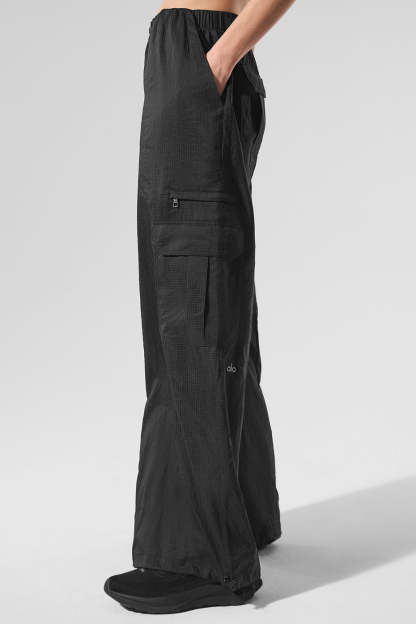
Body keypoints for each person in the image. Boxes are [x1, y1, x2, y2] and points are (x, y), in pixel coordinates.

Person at [104, 0, 296, 614]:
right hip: (183, 54)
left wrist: (216, 59)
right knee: (203, 290)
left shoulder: (208, 53)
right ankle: (242, 514)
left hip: (200, 52)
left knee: (193, 301)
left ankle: (203, 557)